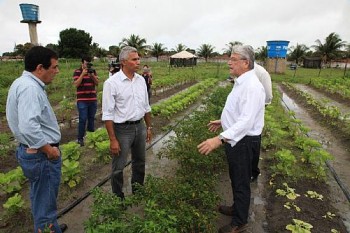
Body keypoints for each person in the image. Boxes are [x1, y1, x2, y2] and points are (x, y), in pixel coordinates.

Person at [197, 45, 265, 233]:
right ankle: (237, 208)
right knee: (236, 178)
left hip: (243, 142)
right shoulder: (241, 81)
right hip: (237, 139)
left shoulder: (252, 86)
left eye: (234, 59)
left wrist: (219, 139)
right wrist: (223, 120)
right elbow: (241, 112)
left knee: (241, 181)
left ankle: (239, 222)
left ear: (246, 63)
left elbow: (246, 121)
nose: (229, 62)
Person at [6, 46, 67, 233]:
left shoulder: (21, 83)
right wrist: (49, 150)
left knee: (40, 197)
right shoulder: (30, 89)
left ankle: (51, 227)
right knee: (46, 203)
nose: (57, 71)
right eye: (54, 67)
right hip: (42, 155)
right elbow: (28, 126)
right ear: (40, 68)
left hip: (32, 152)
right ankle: (48, 228)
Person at [102, 46, 152, 199]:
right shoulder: (112, 83)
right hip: (122, 130)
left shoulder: (141, 81)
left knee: (140, 162)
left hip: (140, 126)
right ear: (123, 62)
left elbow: (146, 106)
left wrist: (148, 127)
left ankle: (138, 191)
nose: (138, 62)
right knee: (118, 166)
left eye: (138, 59)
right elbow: (107, 114)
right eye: (134, 59)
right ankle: (118, 198)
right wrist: (112, 139)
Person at [250, 62, 273, 182]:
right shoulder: (245, 72)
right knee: (249, 145)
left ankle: (253, 172)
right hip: (246, 116)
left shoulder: (262, 73)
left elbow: (268, 95)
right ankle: (250, 171)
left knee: (253, 143)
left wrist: (258, 107)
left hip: (254, 115)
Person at [73, 56, 99, 146]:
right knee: (83, 119)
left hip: (92, 99)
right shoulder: (77, 71)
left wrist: (92, 75)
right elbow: (76, 84)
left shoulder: (93, 71)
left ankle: (91, 137)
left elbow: (97, 83)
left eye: (89, 63)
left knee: (91, 118)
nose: (87, 65)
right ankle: (80, 138)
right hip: (82, 100)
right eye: (86, 63)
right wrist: (82, 74)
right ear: (82, 63)